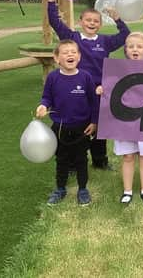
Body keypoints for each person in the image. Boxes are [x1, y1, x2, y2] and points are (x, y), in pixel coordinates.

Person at [47, 0, 130, 170]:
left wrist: (117, 18)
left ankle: (100, 161)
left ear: (100, 24)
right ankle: (72, 163)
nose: (92, 23)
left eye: (96, 21)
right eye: (88, 20)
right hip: (77, 90)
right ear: (80, 21)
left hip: (99, 91)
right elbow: (54, 22)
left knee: (98, 127)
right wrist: (51, 0)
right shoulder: (72, 37)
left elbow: (126, 35)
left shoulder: (105, 41)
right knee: (77, 126)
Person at [96, 32, 143, 205]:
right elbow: (111, 88)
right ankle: (127, 190)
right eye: (131, 46)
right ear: (126, 50)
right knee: (128, 156)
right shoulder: (118, 69)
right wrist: (103, 89)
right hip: (124, 120)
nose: (135, 49)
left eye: (139, 46)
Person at [35, 40, 97, 206]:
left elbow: (93, 102)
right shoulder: (53, 78)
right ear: (57, 58)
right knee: (61, 159)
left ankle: (83, 189)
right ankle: (60, 189)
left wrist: (94, 122)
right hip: (60, 128)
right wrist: (43, 105)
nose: (70, 54)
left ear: (79, 56)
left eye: (73, 52)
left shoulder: (86, 77)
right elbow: (47, 97)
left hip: (82, 128)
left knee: (81, 159)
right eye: (65, 52)